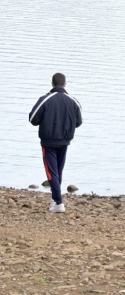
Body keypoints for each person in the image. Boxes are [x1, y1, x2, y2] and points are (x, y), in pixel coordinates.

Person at [28, 73, 83, 213]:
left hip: (48, 142)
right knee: (58, 170)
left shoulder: (45, 99)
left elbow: (33, 119)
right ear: (65, 84)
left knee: (52, 172)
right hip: (65, 141)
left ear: (52, 84)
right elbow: (78, 121)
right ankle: (54, 199)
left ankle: (59, 202)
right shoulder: (73, 101)